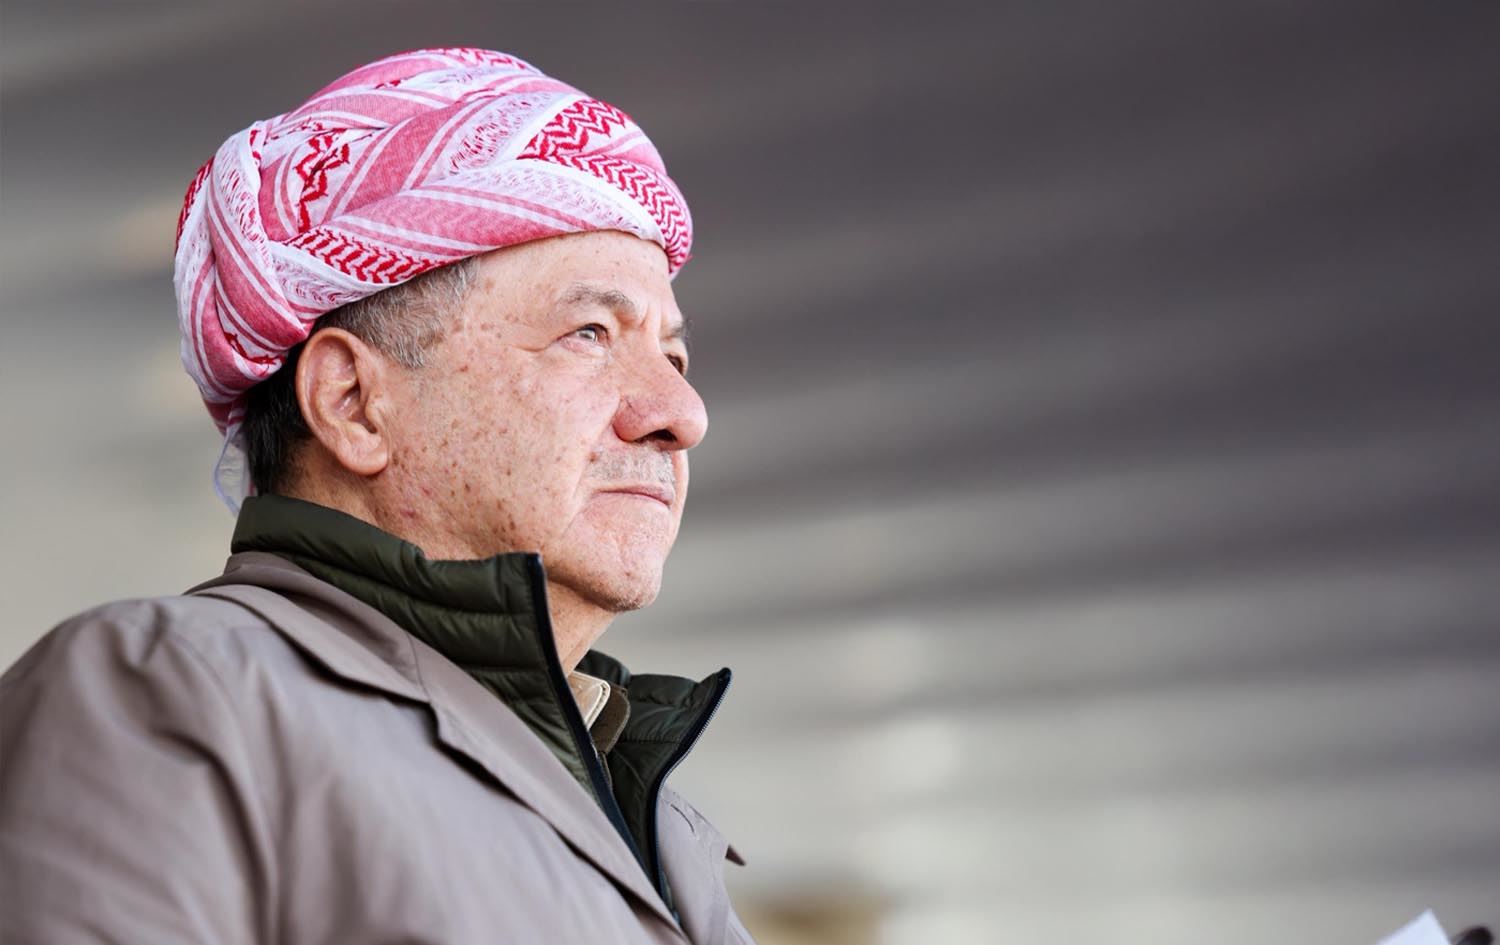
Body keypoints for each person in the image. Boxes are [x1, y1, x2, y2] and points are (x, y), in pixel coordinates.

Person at [0, 48, 753, 945]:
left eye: (673, 354)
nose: (681, 413)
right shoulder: (168, 697)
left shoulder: (648, 814)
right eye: (589, 333)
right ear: (353, 402)